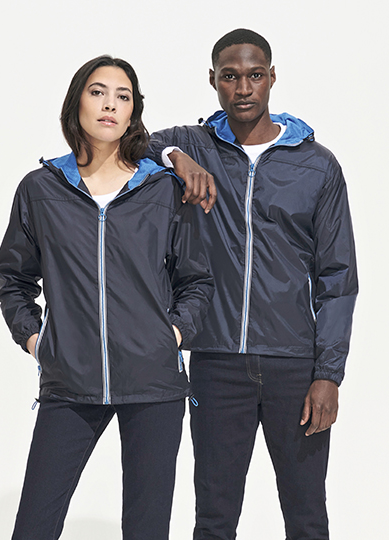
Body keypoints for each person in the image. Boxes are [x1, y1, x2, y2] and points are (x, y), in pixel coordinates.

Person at [146, 29, 358, 540]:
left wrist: (328, 374)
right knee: (214, 518)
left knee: (307, 516)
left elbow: (337, 277)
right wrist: (176, 156)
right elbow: (133, 142)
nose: (243, 88)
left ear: (272, 77)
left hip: (295, 366)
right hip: (216, 363)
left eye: (255, 75)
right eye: (230, 76)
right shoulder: (196, 144)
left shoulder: (317, 164)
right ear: (213, 81)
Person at [0, 54, 214, 540]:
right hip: (69, 384)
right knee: (34, 526)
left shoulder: (163, 190)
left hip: (154, 386)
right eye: (98, 92)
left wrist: (172, 335)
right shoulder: (40, 190)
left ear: (134, 112)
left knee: (146, 529)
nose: (109, 104)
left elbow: (196, 280)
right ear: (77, 102)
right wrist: (36, 341)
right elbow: (13, 277)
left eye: (122, 96)